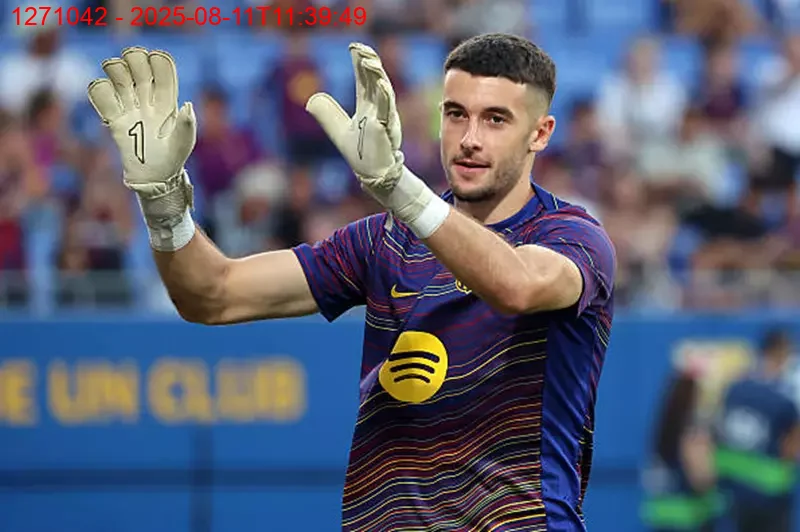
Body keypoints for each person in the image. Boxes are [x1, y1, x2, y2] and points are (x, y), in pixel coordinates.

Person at [86, 33, 616, 531]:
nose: (470, 139)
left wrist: (399, 187)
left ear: (540, 133)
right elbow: (213, 295)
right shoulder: (383, 240)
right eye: (456, 114)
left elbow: (517, 285)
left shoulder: (573, 237)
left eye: (496, 119)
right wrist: (163, 205)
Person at [714, 328, 800, 532]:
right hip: (771, 496)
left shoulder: (735, 388)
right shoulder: (784, 400)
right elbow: (791, 448)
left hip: (733, 493)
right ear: (779, 352)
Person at [641, 364, 723, 532]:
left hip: (661, 518)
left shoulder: (662, 429)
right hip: (690, 519)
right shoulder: (691, 432)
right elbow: (701, 479)